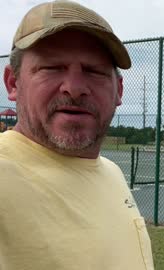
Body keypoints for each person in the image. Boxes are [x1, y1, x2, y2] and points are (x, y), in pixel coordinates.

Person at [0, 1, 154, 269]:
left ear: (118, 91)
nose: (74, 88)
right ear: (13, 83)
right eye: (52, 67)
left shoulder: (111, 172)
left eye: (93, 71)